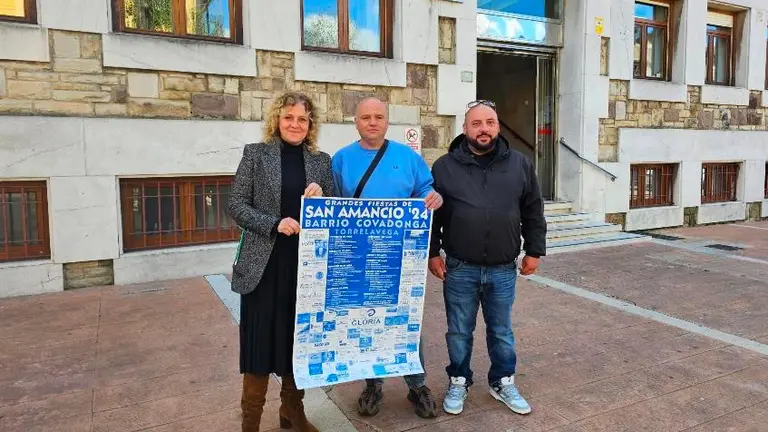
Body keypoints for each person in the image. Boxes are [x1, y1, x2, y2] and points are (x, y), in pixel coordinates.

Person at [428, 99, 547, 417]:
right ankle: (458, 380)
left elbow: (533, 209)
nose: (484, 129)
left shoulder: (520, 164)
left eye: (490, 122)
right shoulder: (444, 166)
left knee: (501, 331)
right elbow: (433, 216)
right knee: (458, 331)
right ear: (465, 128)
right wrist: (431, 253)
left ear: (498, 126)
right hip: (459, 268)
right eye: (476, 123)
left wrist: (534, 250)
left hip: (503, 269)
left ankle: (502, 381)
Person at [228, 91, 335, 432]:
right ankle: (251, 423)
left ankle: (292, 411)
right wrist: (274, 223)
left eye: (302, 119)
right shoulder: (256, 155)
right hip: (264, 266)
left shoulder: (322, 162)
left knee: (298, 341)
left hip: (305, 268)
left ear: (310, 124)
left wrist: (324, 195)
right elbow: (236, 204)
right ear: (277, 119)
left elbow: (335, 210)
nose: (295, 124)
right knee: (259, 346)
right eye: (288, 117)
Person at [331, 97, 443, 419]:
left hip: (401, 257)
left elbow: (426, 190)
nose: (372, 122)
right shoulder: (341, 160)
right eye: (366, 116)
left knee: (408, 321)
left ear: (387, 121)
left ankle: (416, 384)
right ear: (356, 122)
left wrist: (432, 198)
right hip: (358, 258)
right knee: (366, 320)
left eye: (379, 116)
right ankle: (373, 382)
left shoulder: (407, 158)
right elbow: (332, 203)